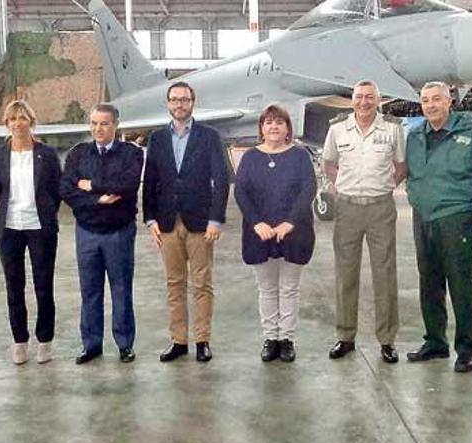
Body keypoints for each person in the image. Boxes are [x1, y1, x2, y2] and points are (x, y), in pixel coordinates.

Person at [405, 81, 472, 373]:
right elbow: (410, 174)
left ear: (450, 102)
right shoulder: (415, 135)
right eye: (425, 101)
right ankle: (435, 342)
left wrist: (464, 203)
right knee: (429, 283)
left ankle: (465, 348)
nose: (430, 105)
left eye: (436, 99)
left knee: (460, 284)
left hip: (458, 219)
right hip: (423, 217)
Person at [144, 81, 230, 363]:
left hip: (200, 222)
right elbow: (151, 181)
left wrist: (216, 218)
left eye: (185, 99)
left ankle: (202, 340)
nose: (180, 104)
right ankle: (179, 341)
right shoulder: (156, 139)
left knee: (202, 284)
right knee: (174, 284)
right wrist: (149, 218)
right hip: (167, 223)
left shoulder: (209, 136)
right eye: (175, 100)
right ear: (168, 104)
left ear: (193, 103)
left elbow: (221, 180)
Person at [322, 80, 406, 364]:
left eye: (370, 97)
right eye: (359, 97)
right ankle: (345, 336)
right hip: (347, 209)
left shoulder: (393, 129)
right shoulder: (337, 129)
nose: (364, 102)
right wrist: (342, 187)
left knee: (385, 274)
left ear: (379, 101)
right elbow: (329, 164)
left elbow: (401, 165)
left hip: (380, 208)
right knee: (345, 273)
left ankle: (386, 340)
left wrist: (383, 187)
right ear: (352, 100)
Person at [60, 103, 143, 365]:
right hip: (87, 233)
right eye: (94, 123)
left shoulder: (131, 153)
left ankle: (124, 344)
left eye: (104, 123)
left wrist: (92, 185)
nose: (98, 128)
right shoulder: (78, 155)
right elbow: (67, 190)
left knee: (121, 289)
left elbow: (127, 185)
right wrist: (98, 201)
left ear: (115, 126)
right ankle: (91, 345)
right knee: (90, 291)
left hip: (119, 232)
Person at [234, 105, 316, 362]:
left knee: (289, 288)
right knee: (267, 289)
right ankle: (270, 337)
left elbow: (308, 189)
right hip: (260, 234)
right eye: (268, 122)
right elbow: (241, 192)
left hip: (295, 233)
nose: (274, 127)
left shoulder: (300, 156)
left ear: (288, 128)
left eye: (279, 122)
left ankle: (286, 339)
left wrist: (290, 223)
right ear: (261, 127)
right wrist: (257, 223)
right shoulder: (250, 157)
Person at [0, 100, 62, 365]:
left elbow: (55, 191)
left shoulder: (47, 154)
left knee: (44, 286)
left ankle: (45, 341)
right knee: (14, 287)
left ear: (32, 121)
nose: (18, 123)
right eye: (13, 119)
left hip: (40, 227)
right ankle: (19, 341)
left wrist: (44, 211)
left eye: (23, 118)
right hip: (9, 228)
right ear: (6, 124)